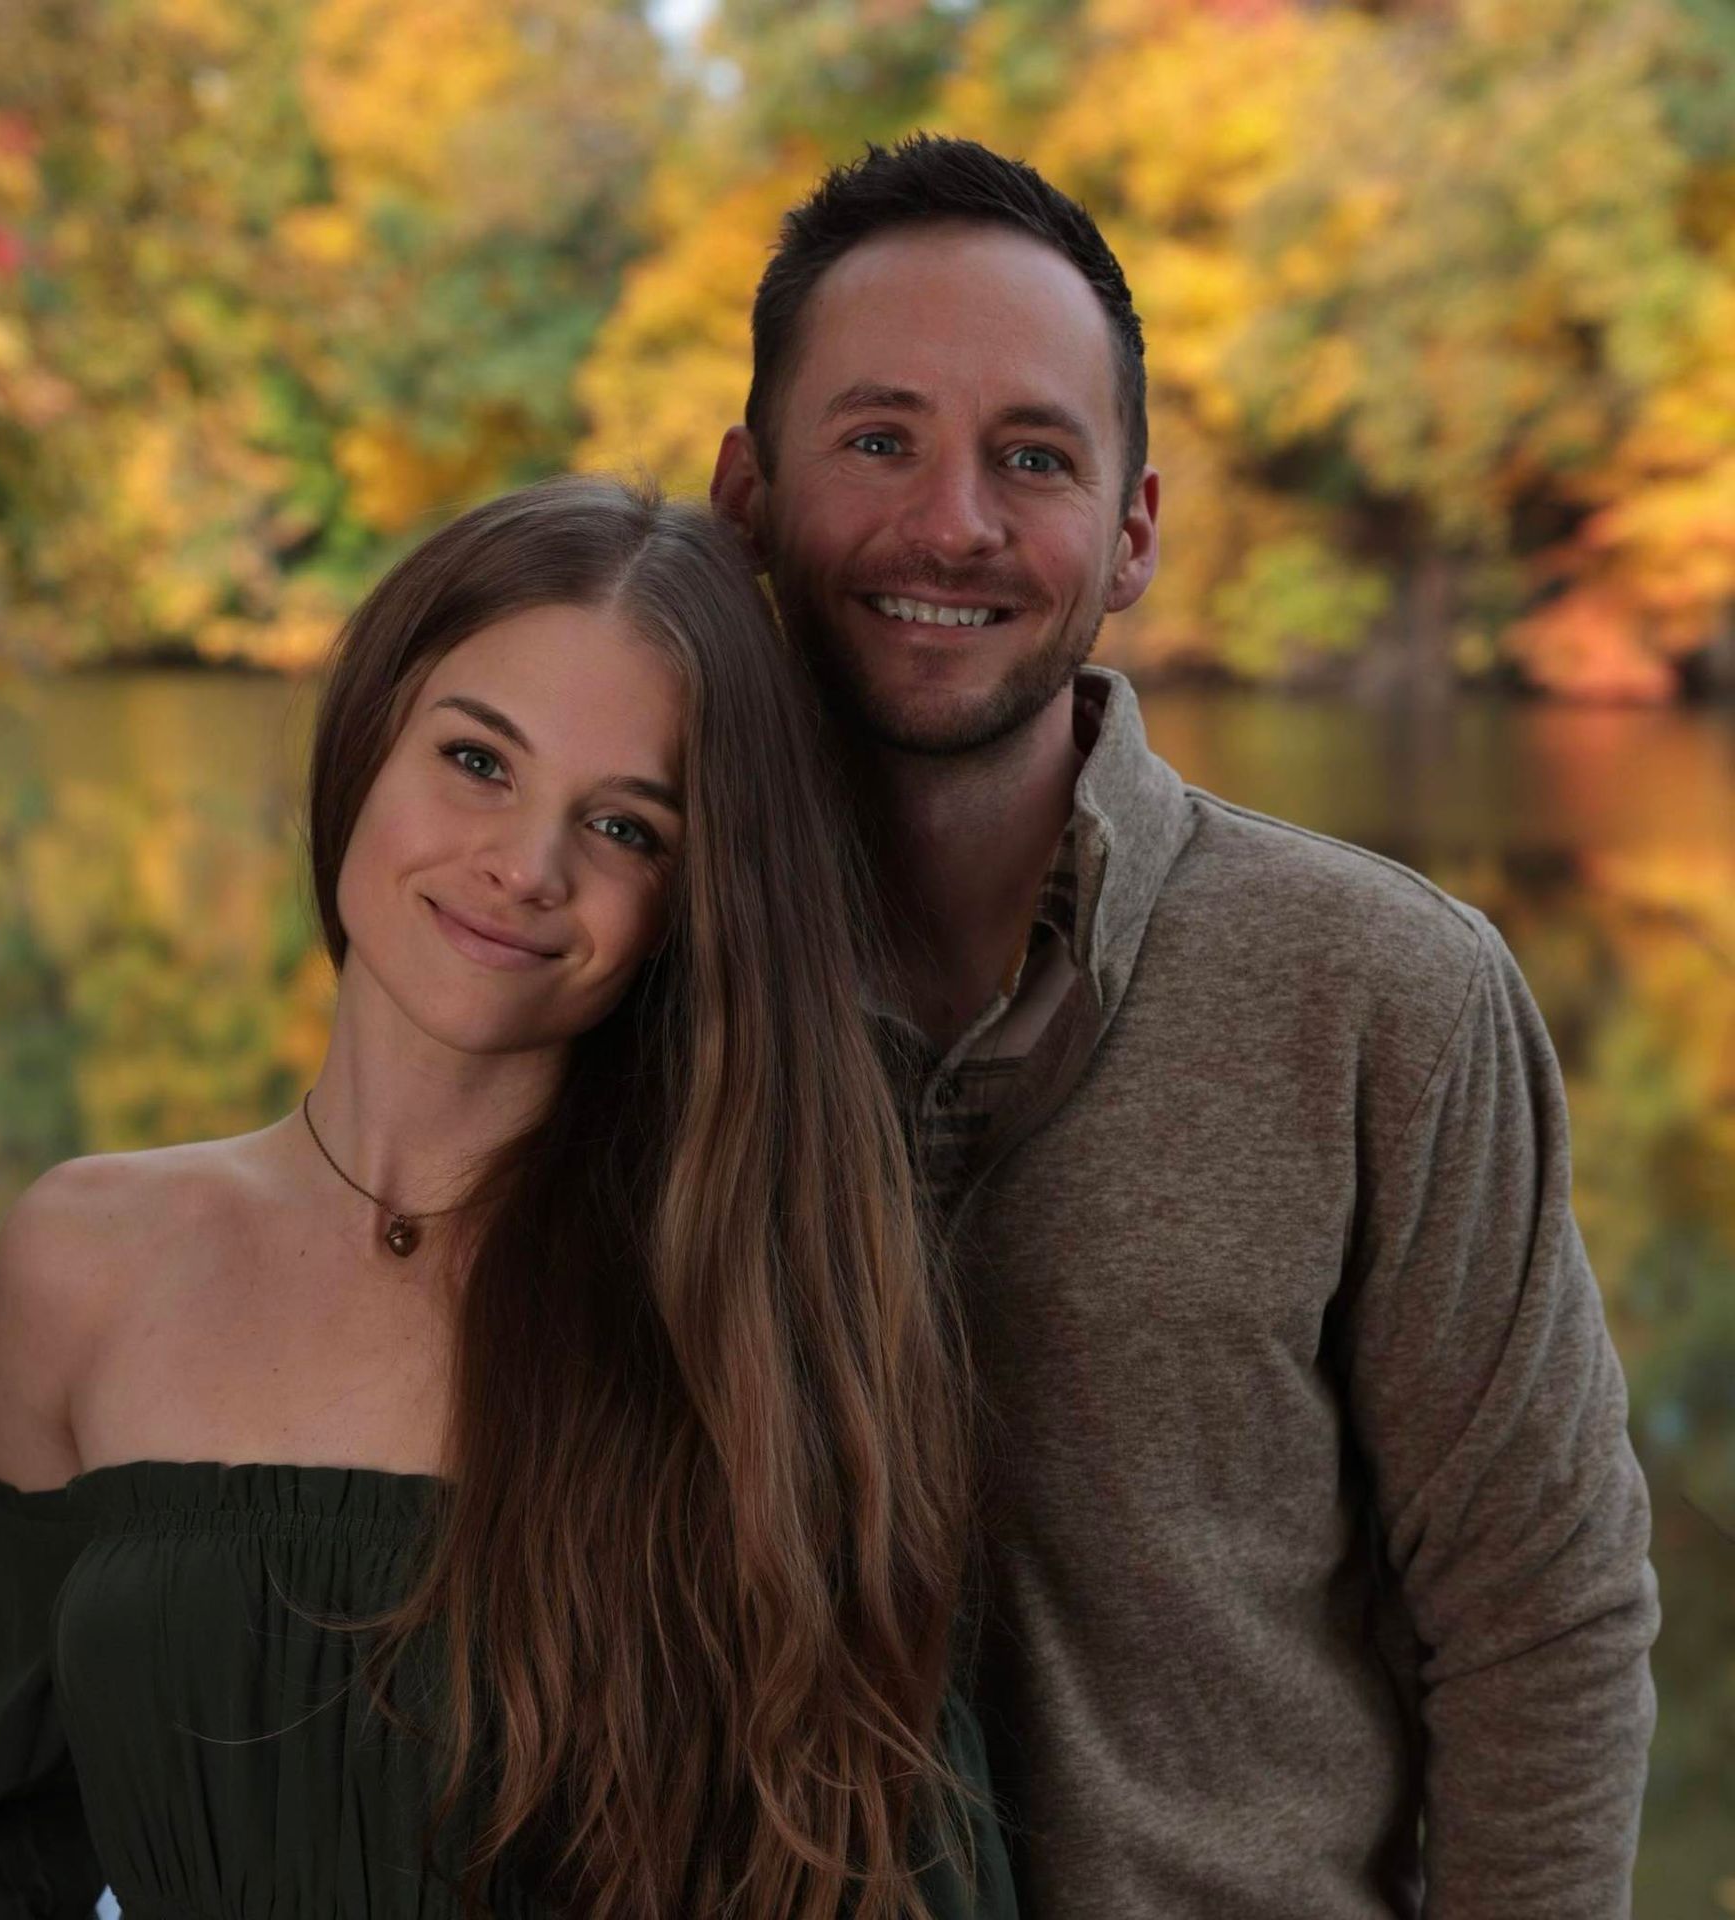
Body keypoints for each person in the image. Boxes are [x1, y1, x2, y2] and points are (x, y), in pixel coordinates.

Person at [0, 476, 1019, 1920]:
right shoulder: (86, 1263)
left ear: (694, 904)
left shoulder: (762, 1317)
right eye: (476, 760)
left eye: (627, 829)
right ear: (367, 742)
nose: (524, 866)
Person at [711, 135, 1660, 1920]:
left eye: (1034, 457)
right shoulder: (622, 958)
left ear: (1133, 531)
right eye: (878, 439)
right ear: (745, 494)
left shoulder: (1387, 992)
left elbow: (1544, 1622)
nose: (954, 524)